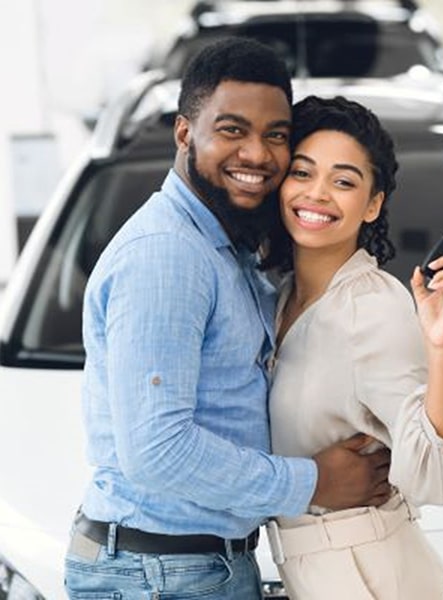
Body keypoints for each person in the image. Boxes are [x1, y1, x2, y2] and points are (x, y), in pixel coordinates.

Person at [64, 38, 392, 600]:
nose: (257, 155)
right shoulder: (167, 255)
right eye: (232, 130)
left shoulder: (225, 244)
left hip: (186, 568)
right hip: (162, 576)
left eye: (276, 135)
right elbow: (158, 451)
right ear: (185, 133)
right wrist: (315, 481)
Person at [262, 95, 443, 599]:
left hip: (369, 573)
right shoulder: (278, 297)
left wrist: (440, 347)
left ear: (372, 204)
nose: (317, 194)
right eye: (302, 173)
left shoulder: (372, 308)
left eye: (343, 181)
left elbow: (437, 471)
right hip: (317, 570)